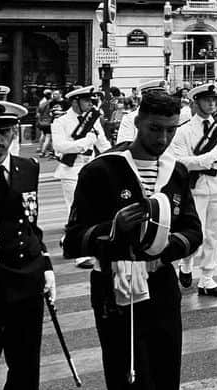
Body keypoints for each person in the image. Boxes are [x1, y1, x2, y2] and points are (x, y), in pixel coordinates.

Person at [64, 89, 202, 390]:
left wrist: (164, 249)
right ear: (137, 122)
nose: (163, 138)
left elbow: (193, 230)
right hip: (117, 289)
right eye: (155, 128)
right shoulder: (101, 171)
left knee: (166, 388)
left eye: (171, 130)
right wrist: (113, 231)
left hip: (161, 287)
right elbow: (73, 239)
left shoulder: (176, 172)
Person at [0, 100, 54, 390]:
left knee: (25, 368)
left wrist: (48, 266)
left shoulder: (28, 168)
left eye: (3, 132)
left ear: (14, 133)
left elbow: (31, 225)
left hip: (26, 283)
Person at [167, 82, 217, 298]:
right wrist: (205, 160)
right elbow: (178, 161)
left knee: (214, 235)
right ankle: (186, 264)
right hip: (194, 190)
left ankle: (207, 277)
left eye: (214, 100)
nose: (212, 103)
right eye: (207, 100)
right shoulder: (183, 131)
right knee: (196, 233)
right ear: (195, 103)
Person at [52, 85, 112, 269]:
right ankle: (81, 254)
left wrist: (112, 159)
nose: (89, 103)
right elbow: (60, 146)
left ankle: (67, 239)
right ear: (75, 102)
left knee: (90, 210)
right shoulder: (60, 122)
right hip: (71, 170)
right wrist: (84, 142)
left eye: (90, 100)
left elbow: (102, 143)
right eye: (86, 100)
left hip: (90, 169)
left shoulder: (92, 119)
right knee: (77, 210)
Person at [116, 79, 168, 145]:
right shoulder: (130, 118)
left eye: (163, 96)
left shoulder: (168, 117)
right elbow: (124, 145)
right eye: (157, 96)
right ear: (144, 97)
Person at [36, 89, 54, 159]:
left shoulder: (42, 102)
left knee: (44, 135)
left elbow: (38, 112)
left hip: (42, 121)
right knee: (48, 137)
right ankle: (43, 151)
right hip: (48, 121)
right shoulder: (50, 103)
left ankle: (46, 149)